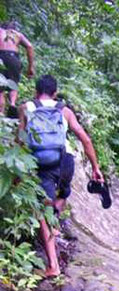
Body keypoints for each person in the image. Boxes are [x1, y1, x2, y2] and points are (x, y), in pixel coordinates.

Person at [19, 74, 104, 278]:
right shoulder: (64, 111)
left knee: (41, 212)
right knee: (64, 192)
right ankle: (54, 232)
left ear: (35, 91)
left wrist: (19, 172)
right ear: (55, 93)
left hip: (42, 164)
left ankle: (53, 264)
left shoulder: (25, 108)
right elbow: (85, 139)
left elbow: (20, 141)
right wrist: (95, 167)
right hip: (65, 160)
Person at [0, 21, 34, 116]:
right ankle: (13, 104)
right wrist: (31, 67)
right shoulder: (17, 34)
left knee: (0, 89)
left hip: (0, 57)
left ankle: (1, 113)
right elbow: (29, 46)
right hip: (13, 58)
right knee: (13, 84)